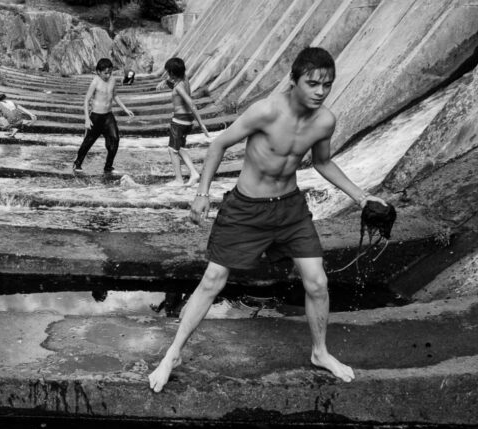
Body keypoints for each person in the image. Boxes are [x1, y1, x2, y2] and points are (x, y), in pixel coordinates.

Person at [148, 47, 388, 393]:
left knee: (317, 282)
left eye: (327, 85)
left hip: (290, 209)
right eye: (313, 83)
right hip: (246, 208)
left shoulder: (325, 121)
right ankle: (172, 354)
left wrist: (362, 196)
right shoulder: (266, 110)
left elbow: (322, 163)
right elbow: (218, 146)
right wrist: (203, 193)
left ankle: (320, 352)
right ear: (294, 81)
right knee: (213, 279)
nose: (321, 91)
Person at [73, 58, 134, 174]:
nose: (107, 75)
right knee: (88, 142)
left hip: (108, 116)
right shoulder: (95, 82)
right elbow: (86, 100)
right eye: (105, 73)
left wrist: (125, 109)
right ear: (98, 72)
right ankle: (77, 163)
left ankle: (108, 166)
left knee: (115, 139)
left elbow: (115, 96)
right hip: (96, 116)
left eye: (110, 72)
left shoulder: (112, 80)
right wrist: (87, 119)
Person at [159, 57, 210, 186]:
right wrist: (166, 82)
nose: (167, 74)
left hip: (179, 121)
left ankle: (179, 180)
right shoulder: (185, 80)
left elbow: (191, 104)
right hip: (187, 120)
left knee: (172, 150)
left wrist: (201, 123)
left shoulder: (179, 88)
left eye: (168, 72)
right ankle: (194, 173)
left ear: (172, 73)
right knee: (180, 148)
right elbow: (176, 87)